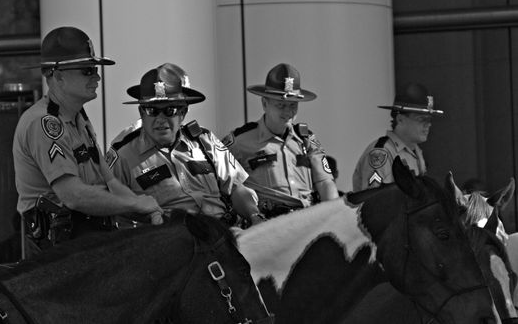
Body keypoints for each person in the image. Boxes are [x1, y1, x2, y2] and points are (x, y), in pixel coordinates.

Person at [12, 26, 163, 254]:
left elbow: (111, 183)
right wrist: (135, 203)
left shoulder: (78, 116)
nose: (97, 76)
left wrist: (149, 210)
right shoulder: (43, 123)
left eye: (95, 69)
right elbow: (73, 196)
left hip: (88, 241)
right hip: (58, 253)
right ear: (58, 75)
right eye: (88, 70)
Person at [106, 63, 265, 228]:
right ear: (141, 112)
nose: (160, 119)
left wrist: (255, 217)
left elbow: (237, 188)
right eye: (152, 110)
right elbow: (113, 210)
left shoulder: (205, 141)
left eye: (170, 111)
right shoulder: (123, 155)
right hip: (171, 243)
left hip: (223, 233)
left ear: (183, 112)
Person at [222, 63, 339, 219]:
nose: (288, 112)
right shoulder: (239, 141)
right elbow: (223, 184)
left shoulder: (307, 139)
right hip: (266, 224)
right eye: (281, 105)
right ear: (264, 104)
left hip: (307, 220)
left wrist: (335, 217)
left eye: (293, 105)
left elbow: (325, 183)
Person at [352, 83, 444, 191]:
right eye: (422, 119)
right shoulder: (381, 153)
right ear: (400, 119)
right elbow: (373, 202)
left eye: (429, 120)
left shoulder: (415, 151)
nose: (428, 124)